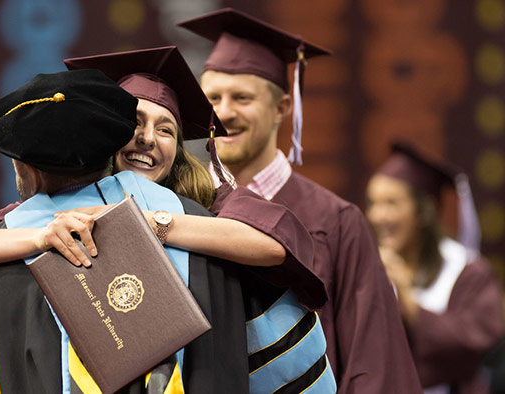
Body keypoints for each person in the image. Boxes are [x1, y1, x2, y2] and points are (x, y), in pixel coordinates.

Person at [0, 47, 335, 393]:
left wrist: (147, 222)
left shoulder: (213, 214)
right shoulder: (38, 221)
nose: (146, 139)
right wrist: (42, 235)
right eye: (135, 123)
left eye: (166, 129)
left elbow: (276, 241)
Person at [177, 8, 423, 393]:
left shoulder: (336, 220)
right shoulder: (181, 205)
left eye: (242, 98)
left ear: (282, 109)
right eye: (213, 98)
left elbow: (374, 357)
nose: (223, 113)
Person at [366, 141, 505, 394]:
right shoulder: (368, 266)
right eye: (373, 203)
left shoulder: (466, 272)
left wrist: (409, 303)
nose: (377, 215)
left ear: (424, 210)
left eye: (392, 203)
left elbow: (472, 347)